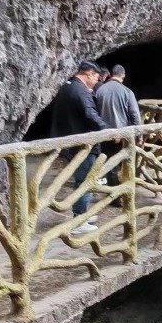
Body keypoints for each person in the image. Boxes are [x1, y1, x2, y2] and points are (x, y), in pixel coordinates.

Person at [49, 60, 110, 232]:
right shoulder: (80, 91)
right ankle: (79, 220)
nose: (97, 81)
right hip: (82, 143)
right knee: (84, 180)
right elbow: (90, 115)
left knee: (85, 179)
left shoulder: (67, 86)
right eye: (96, 77)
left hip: (71, 140)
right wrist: (108, 131)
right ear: (89, 73)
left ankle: (82, 214)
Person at [94, 64, 142, 186]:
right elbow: (135, 115)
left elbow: (94, 112)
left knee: (106, 159)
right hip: (121, 134)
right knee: (117, 162)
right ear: (123, 76)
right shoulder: (127, 92)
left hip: (103, 132)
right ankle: (117, 193)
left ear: (111, 74)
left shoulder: (100, 89)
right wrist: (139, 136)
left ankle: (107, 184)